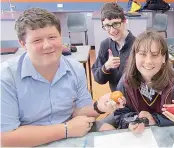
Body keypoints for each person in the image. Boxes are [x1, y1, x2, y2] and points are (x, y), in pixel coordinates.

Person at [0, 8, 125, 147]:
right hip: (31, 141)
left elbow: (80, 111)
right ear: (23, 44)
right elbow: (5, 137)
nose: (47, 45)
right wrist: (65, 130)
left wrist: (99, 107)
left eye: (52, 37)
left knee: (116, 139)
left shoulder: (75, 68)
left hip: (72, 131)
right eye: (37, 40)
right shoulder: (6, 77)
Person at [99, 31, 174, 133]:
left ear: (164, 58)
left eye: (155, 55)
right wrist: (131, 122)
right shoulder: (126, 81)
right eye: (143, 54)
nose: (148, 61)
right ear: (134, 56)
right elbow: (121, 113)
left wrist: (154, 119)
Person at [92, 2, 136, 91]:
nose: (112, 30)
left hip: (134, 101)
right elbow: (98, 79)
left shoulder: (137, 45)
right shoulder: (105, 45)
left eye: (116, 24)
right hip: (116, 99)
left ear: (124, 21)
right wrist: (106, 66)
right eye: (107, 26)